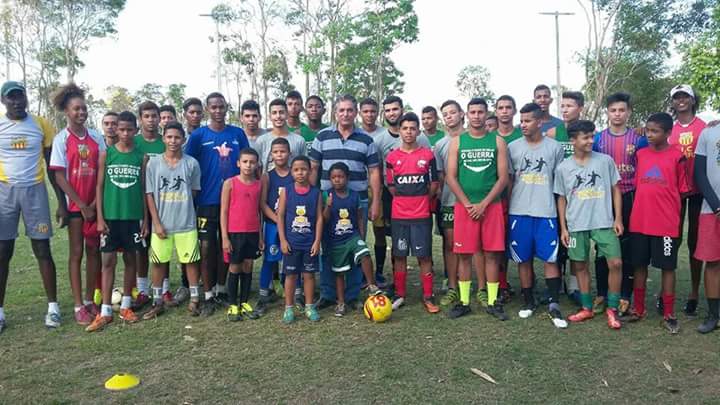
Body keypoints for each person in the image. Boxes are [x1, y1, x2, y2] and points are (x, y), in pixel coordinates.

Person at [310, 94, 382, 310]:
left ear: (356, 112)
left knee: (355, 244)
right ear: (335, 113)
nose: (346, 114)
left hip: (357, 201)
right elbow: (314, 168)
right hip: (327, 201)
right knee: (328, 247)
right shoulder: (322, 137)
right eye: (341, 110)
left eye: (350, 110)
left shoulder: (367, 140)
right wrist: (313, 199)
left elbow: (375, 172)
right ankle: (328, 293)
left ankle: (352, 295)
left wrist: (376, 200)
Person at [0, 81, 62, 332]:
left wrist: (61, 202)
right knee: (3, 252)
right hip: (5, 191)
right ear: (4, 101)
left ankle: (53, 308)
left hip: (35, 190)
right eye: (11, 98)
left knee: (42, 248)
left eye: (20, 96)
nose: (17, 101)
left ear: (26, 98)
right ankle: (1, 312)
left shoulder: (41, 124)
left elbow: (51, 166)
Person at [622, 112, 689, 334]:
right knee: (639, 265)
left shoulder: (678, 156)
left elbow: (684, 191)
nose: (650, 135)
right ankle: (639, 308)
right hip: (640, 221)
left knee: (667, 267)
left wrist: (674, 217)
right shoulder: (640, 155)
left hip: (666, 224)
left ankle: (669, 313)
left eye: (655, 131)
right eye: (648, 130)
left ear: (668, 133)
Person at [184, 92, 249, 314]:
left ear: (226, 108)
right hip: (207, 200)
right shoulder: (198, 136)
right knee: (206, 247)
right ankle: (208, 293)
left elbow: (247, 163)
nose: (218, 111)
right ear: (207, 109)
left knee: (227, 246)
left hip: (234, 202)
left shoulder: (237, 134)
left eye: (222, 107)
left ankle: (222, 289)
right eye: (214, 107)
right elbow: (187, 165)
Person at [555, 120, 624, 329]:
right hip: (577, 223)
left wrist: (618, 218)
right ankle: (586, 308)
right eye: (585, 137)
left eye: (592, 136)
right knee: (580, 265)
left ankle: (612, 308)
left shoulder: (605, 161)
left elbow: (615, 189)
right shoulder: (563, 168)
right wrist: (564, 227)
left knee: (616, 263)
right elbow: (561, 198)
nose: (590, 141)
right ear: (573, 140)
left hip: (603, 220)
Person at [445, 98, 509, 320]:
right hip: (465, 208)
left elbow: (503, 179)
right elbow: (450, 177)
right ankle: (464, 301)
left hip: (491, 206)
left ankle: (492, 301)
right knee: (463, 255)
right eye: (472, 112)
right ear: (466, 114)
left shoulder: (498, 142)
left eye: (481, 112)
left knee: (491, 254)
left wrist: (484, 203)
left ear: (486, 114)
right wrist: (467, 203)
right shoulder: (458, 142)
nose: (476, 116)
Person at [48, 83, 105, 326]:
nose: (81, 112)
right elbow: (59, 176)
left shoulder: (95, 136)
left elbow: (103, 170)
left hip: (95, 205)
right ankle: (78, 305)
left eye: (84, 108)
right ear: (66, 112)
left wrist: (94, 203)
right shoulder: (62, 139)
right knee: (76, 253)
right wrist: (81, 204)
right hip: (75, 207)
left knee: (94, 251)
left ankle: (91, 299)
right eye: (76, 109)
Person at [508, 103, 567, 329]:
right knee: (523, 259)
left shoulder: (554, 148)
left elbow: (559, 182)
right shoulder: (512, 147)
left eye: (527, 121)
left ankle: (553, 302)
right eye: (521, 121)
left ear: (540, 122)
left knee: (550, 258)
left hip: (546, 212)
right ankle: (528, 300)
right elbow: (509, 180)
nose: (523, 125)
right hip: (519, 211)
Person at [86, 111, 147, 332]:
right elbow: (100, 187)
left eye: (129, 129)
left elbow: (143, 189)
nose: (124, 133)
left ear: (135, 130)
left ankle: (126, 307)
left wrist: (146, 220)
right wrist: (100, 218)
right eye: (121, 129)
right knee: (108, 262)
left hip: (133, 217)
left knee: (131, 260)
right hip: (111, 217)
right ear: (115, 130)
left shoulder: (141, 157)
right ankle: (105, 312)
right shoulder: (107, 154)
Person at [592, 92, 647, 316]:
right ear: (608, 113)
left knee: (627, 247)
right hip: (603, 198)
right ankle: (601, 293)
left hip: (629, 197)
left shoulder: (639, 139)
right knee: (601, 247)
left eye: (621, 110)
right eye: (613, 110)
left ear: (629, 113)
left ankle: (625, 295)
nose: (617, 114)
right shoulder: (597, 139)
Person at [142, 122, 202, 319]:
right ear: (163, 139)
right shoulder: (154, 163)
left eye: (177, 137)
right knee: (159, 262)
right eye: (169, 137)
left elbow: (193, 191)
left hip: (186, 222)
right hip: (162, 224)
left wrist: (182, 207)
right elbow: (150, 194)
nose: (173, 141)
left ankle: (194, 299)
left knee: (191, 260)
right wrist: (156, 222)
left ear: (183, 140)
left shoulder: (191, 163)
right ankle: (157, 301)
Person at [372, 96, 431, 288]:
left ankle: (426, 289)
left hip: (419, 203)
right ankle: (394, 284)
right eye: (387, 110)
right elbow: (381, 174)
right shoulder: (380, 140)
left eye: (395, 109)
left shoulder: (422, 140)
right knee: (394, 242)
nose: (391, 113)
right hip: (391, 198)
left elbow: (432, 178)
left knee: (422, 249)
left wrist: (421, 197)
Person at [385, 112, 440, 313]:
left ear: (418, 131)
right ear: (399, 131)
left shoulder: (427, 155)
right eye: (405, 128)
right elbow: (391, 187)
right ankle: (400, 295)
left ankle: (428, 296)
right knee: (399, 256)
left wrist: (421, 201)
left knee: (424, 256)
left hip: (421, 215)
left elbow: (434, 184)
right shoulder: (392, 157)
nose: (409, 132)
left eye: (412, 128)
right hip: (399, 216)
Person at [323, 162, 381, 316]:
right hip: (336, 241)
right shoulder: (327, 195)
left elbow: (360, 217)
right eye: (334, 177)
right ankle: (341, 303)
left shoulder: (354, 195)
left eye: (340, 177)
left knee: (365, 253)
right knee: (339, 273)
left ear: (347, 178)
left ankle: (371, 284)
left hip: (352, 236)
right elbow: (324, 219)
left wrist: (361, 236)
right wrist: (328, 206)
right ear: (330, 179)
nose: (337, 180)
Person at [668, 84, 706, 317]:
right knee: (673, 239)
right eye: (677, 97)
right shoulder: (668, 129)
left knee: (695, 241)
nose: (681, 100)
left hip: (700, 189)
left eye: (685, 97)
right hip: (674, 191)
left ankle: (693, 292)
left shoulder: (704, 127)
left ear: (693, 100)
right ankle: (667, 291)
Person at [277, 155, 323, 323]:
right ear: (291, 172)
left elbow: (319, 218)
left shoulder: (316, 192)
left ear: (310, 171)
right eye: (296, 170)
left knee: (309, 275)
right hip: (291, 243)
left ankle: (309, 306)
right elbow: (280, 216)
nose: (300, 173)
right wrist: (282, 240)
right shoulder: (286, 191)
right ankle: (288, 308)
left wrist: (317, 241)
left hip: (309, 243)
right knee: (291, 276)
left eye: (304, 169)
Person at [221, 148, 264, 321]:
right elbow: (223, 211)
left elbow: (259, 211)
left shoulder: (259, 184)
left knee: (248, 266)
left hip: (252, 232)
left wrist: (260, 236)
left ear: (257, 164)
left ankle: (244, 302)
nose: (248, 165)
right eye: (245, 161)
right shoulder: (230, 183)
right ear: (238, 163)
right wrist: (225, 237)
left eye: (252, 162)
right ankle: (233, 304)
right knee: (235, 267)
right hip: (234, 232)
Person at [133, 101, 166, 310]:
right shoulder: (133, 142)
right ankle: (142, 289)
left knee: (162, 247)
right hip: (137, 202)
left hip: (163, 203)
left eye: (155, 116)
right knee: (141, 248)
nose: (151, 120)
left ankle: (163, 288)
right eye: (147, 116)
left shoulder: (166, 142)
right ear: (140, 119)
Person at [256, 138, 294, 314]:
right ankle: (264, 295)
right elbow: (262, 203)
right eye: (276, 152)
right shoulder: (267, 176)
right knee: (270, 260)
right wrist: (277, 219)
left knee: (292, 259)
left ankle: (295, 295)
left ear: (290, 154)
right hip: (272, 225)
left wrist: (286, 221)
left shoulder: (295, 174)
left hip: (291, 226)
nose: (280, 155)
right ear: (271, 154)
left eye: (283, 151)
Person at [489, 95, 522, 301]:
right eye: (500, 107)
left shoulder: (522, 135)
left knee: (519, 244)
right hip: (497, 200)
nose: (504, 111)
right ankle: (501, 284)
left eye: (508, 107)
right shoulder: (490, 138)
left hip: (521, 197)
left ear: (514, 110)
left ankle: (527, 284)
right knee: (497, 245)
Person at [173, 97, 204, 306]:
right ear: (184, 113)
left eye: (198, 112)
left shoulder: (204, 134)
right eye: (191, 112)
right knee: (184, 243)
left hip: (204, 193)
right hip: (183, 198)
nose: (194, 115)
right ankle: (185, 284)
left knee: (205, 244)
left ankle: (203, 281)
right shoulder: (179, 139)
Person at [436, 100, 465, 306]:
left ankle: (478, 286)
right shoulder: (440, 145)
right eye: (445, 114)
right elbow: (440, 176)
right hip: (449, 201)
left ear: (462, 114)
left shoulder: (474, 139)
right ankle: (453, 286)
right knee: (450, 243)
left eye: (453, 112)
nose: (449, 117)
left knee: (475, 246)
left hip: (473, 202)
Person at [694, 119, 720, 333]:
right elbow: (699, 174)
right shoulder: (708, 133)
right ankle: (713, 315)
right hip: (711, 209)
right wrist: (716, 205)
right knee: (713, 263)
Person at [255, 98, 306, 171]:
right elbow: (257, 167)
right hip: (268, 182)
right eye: (274, 113)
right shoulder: (261, 141)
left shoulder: (299, 141)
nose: (278, 116)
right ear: (269, 116)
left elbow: (305, 166)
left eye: (281, 112)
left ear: (287, 114)